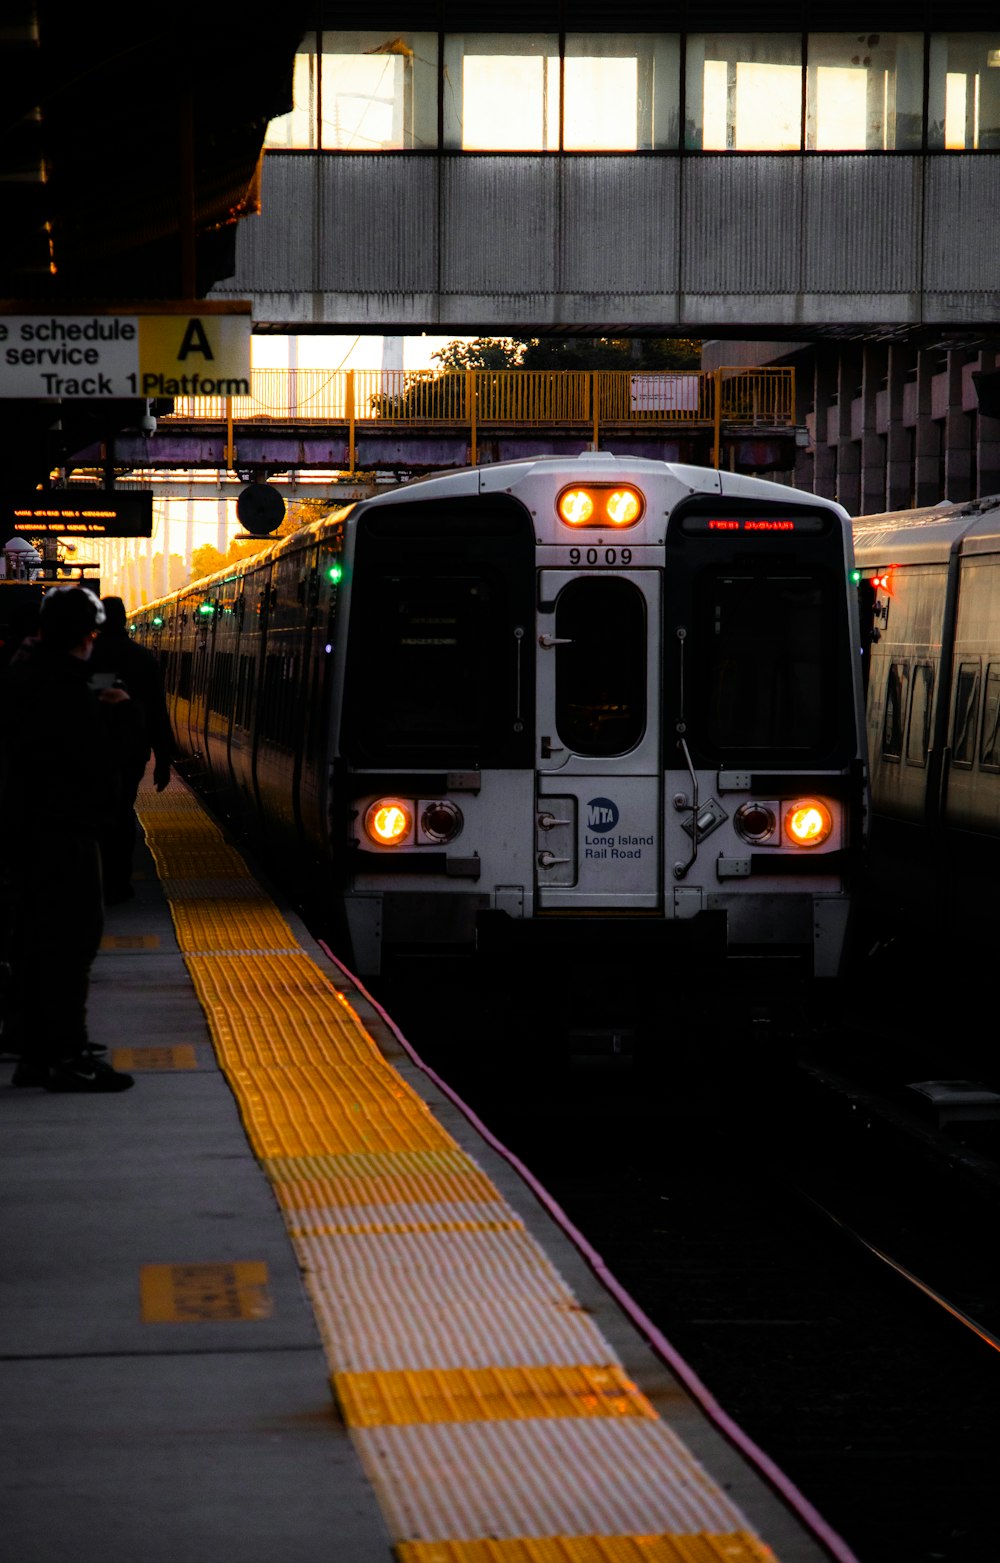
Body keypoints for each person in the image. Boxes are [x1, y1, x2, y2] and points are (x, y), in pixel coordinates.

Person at [0, 586, 134, 1091]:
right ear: (83, 637)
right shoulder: (66, 691)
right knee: (71, 945)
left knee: (36, 944)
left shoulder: (25, 676)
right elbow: (101, 760)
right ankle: (67, 1054)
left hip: (28, 831)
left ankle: (36, 1053)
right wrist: (119, 710)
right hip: (64, 832)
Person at [88, 595, 174, 903]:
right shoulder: (142, 659)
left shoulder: (88, 658)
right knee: (124, 811)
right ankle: (119, 880)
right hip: (131, 752)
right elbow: (157, 712)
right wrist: (163, 760)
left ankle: (95, 878)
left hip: (91, 754)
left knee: (94, 816)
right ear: (124, 621)